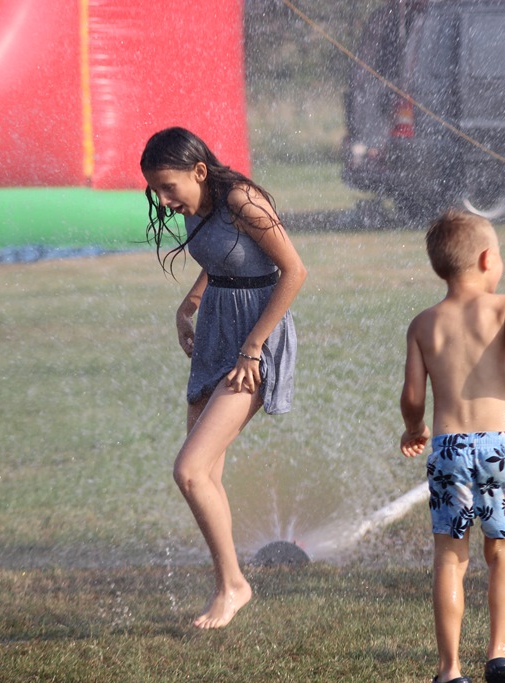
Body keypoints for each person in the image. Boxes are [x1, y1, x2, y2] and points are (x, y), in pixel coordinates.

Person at [140, 127, 307, 629]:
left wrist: (254, 349)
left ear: (198, 171)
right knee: (205, 473)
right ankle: (227, 582)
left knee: (189, 470)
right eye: (156, 191)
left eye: (170, 187)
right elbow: (222, 257)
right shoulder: (200, 205)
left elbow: (294, 271)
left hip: (255, 339)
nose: (165, 201)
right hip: (216, 329)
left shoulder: (242, 198)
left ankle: (233, 585)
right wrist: (190, 301)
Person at [399, 210, 505, 683]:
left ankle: (450, 671)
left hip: (449, 446)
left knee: (450, 557)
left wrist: (414, 427)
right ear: (488, 258)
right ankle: (499, 656)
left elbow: (413, 394)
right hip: (500, 448)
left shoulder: (424, 323)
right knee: (502, 551)